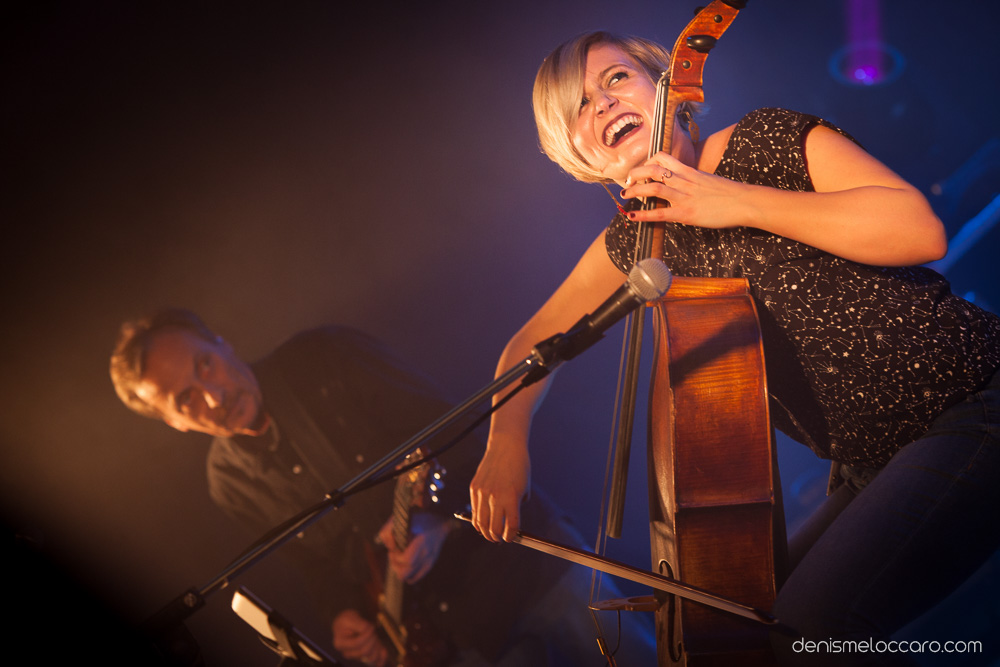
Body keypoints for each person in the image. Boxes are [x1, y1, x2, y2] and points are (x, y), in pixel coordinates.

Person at [467, 31, 1000, 665]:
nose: (603, 104)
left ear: (668, 88)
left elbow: (920, 229)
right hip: (872, 462)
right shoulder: (634, 245)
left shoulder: (763, 138)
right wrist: (504, 443)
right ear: (577, 155)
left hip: (970, 405)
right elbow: (531, 342)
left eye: (616, 79)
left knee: (808, 630)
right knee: (742, 641)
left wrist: (732, 201)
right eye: (579, 105)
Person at [109, 308, 656, 666]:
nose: (212, 396)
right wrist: (342, 615)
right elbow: (316, 565)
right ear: (173, 423)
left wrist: (440, 520)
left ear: (222, 343)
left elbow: (460, 428)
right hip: (454, 640)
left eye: (205, 365)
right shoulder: (226, 482)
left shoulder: (323, 357)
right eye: (184, 399)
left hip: (526, 565)